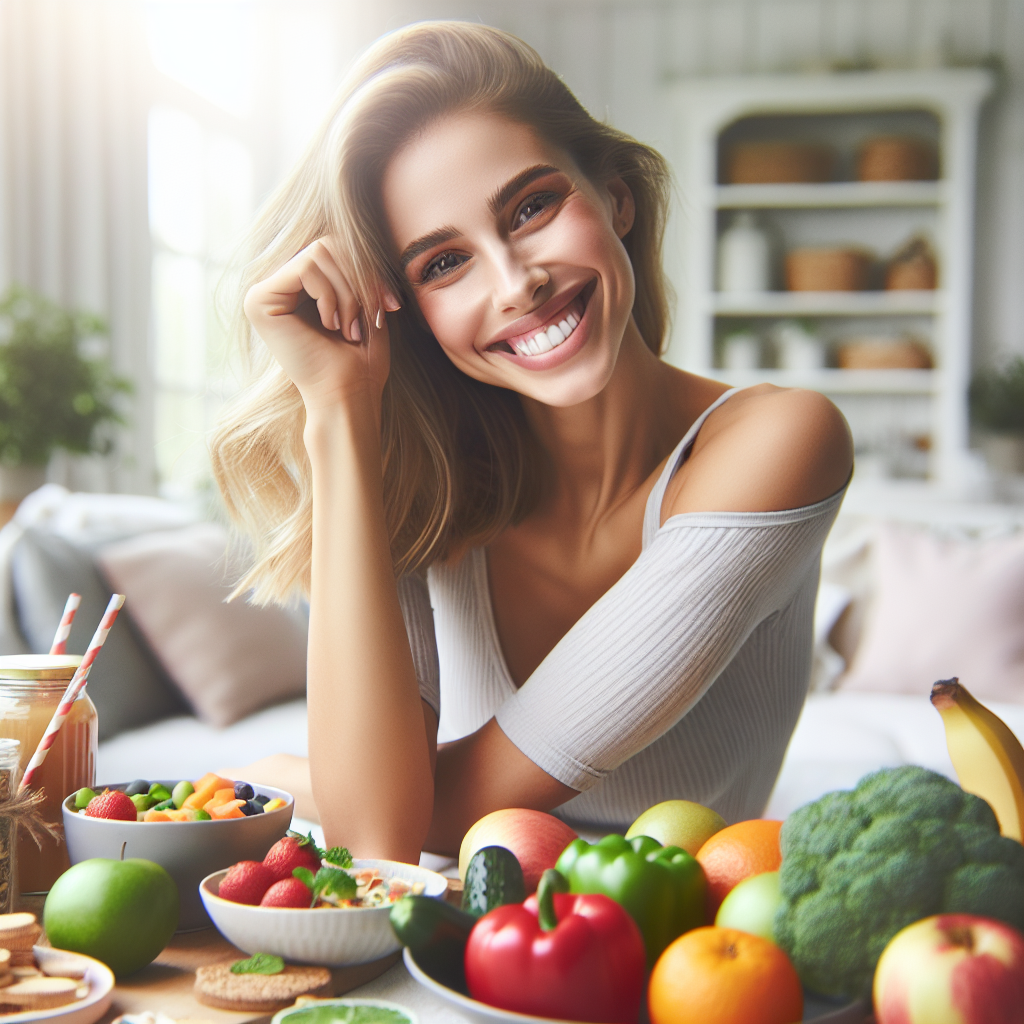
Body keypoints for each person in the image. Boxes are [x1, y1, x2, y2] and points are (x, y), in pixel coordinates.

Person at [210, 21, 853, 863]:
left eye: (531, 207)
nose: (518, 284)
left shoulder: (781, 439)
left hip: (675, 964)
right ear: (402, 306)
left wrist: (294, 778)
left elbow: (383, 820)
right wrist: (337, 405)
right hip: (454, 956)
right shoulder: (422, 474)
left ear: (615, 196)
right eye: (444, 264)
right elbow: (374, 842)